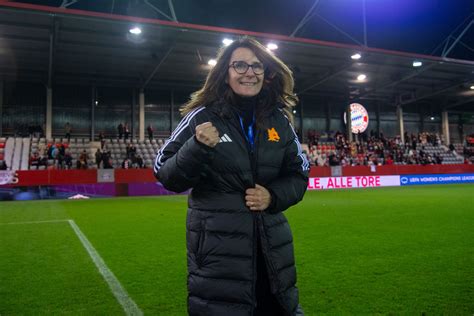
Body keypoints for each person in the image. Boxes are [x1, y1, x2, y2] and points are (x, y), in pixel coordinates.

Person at [154, 37, 308, 316]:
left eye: (256, 66)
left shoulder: (279, 120)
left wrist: (272, 196)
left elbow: (299, 174)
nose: (249, 72)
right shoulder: (201, 117)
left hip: (273, 257)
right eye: (239, 65)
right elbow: (165, 174)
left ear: (266, 73)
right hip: (218, 260)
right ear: (225, 73)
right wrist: (197, 147)